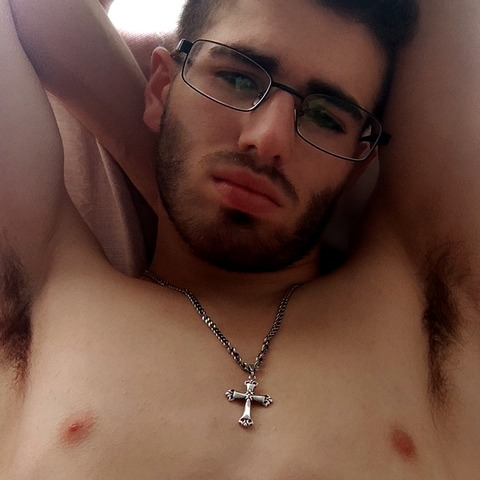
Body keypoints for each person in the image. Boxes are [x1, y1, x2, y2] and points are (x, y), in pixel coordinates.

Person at [1, 0, 479, 479]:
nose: (269, 140)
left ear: (358, 164)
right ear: (162, 88)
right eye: (238, 78)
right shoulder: (37, 297)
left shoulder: (432, 314)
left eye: (326, 118)